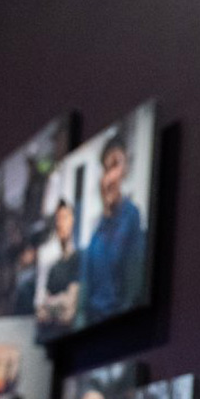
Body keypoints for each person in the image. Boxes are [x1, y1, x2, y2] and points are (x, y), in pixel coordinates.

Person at [79, 129, 147, 326]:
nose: (110, 176)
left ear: (125, 170)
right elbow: (87, 284)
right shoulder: (97, 228)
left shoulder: (132, 216)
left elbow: (133, 289)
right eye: (106, 168)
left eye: (116, 165)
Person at [36, 200, 81, 333]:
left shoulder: (75, 254)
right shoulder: (46, 253)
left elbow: (71, 304)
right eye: (59, 218)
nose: (61, 223)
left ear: (72, 220)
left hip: (65, 318)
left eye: (66, 218)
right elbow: (41, 296)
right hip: (48, 317)